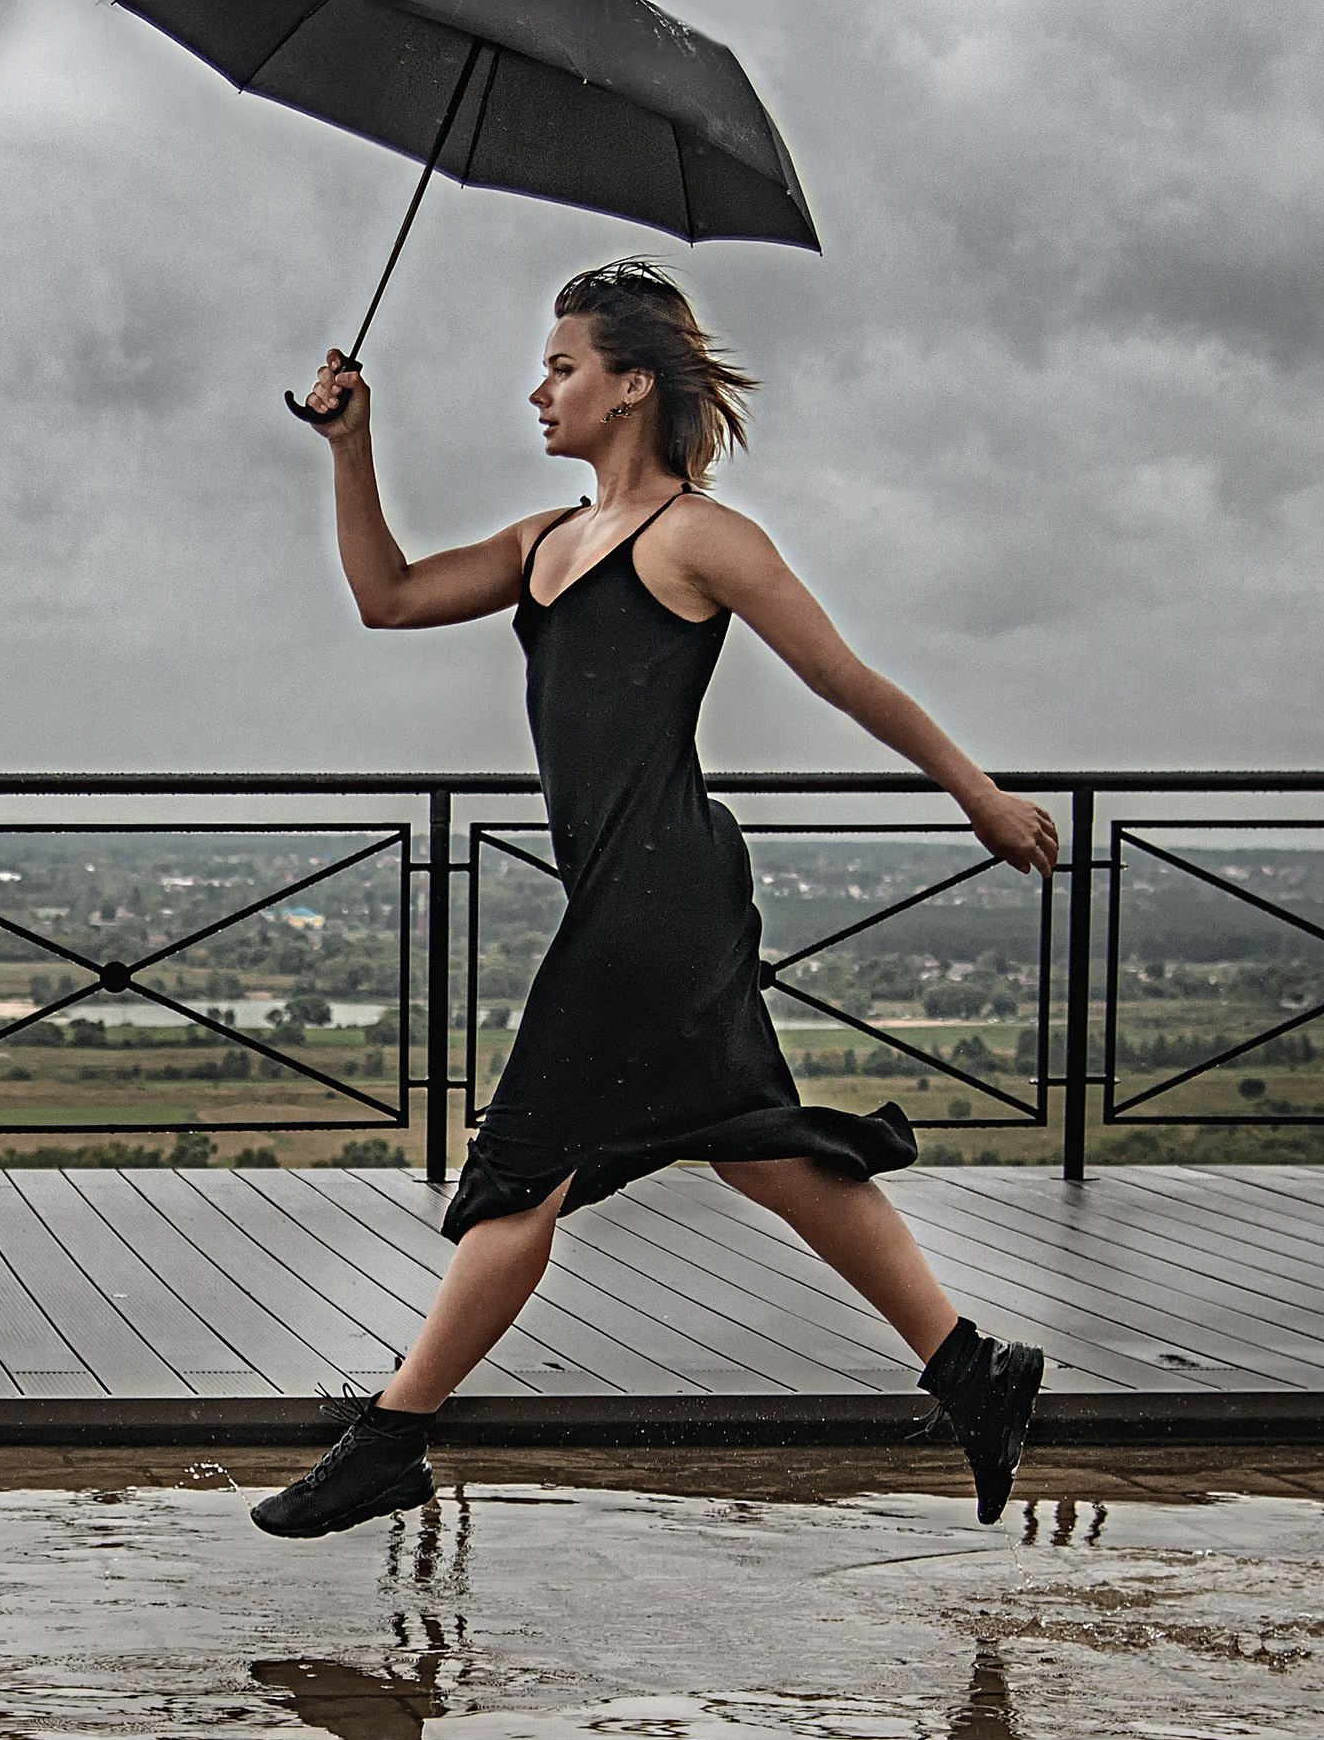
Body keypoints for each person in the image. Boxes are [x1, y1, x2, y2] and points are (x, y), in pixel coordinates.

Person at [252, 262, 1054, 1540]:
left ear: (630, 387)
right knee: (757, 1142)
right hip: (630, 892)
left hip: (660, 895)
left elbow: (845, 678)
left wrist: (978, 795)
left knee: (523, 1168)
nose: (539, 390)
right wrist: (351, 446)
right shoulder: (542, 542)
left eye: (561, 367)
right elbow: (385, 597)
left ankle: (392, 1439)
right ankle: (972, 1368)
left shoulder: (698, 538)